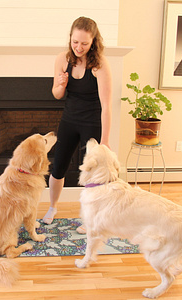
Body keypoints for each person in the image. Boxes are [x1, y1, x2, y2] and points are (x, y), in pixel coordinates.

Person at [42, 16, 113, 233]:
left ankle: (92, 219)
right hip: (69, 120)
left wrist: (105, 142)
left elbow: (107, 106)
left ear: (93, 41)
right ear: (70, 38)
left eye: (84, 43)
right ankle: (53, 207)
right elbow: (56, 94)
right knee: (58, 167)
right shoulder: (62, 59)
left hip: (92, 123)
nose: (78, 47)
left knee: (93, 173)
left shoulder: (99, 65)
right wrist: (61, 84)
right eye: (75, 42)